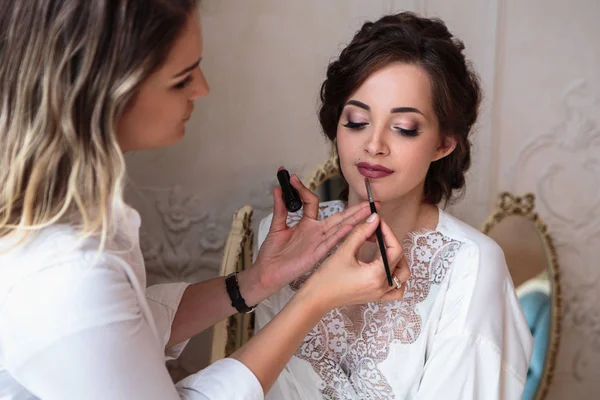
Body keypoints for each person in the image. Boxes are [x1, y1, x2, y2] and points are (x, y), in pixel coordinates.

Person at [0, 1, 411, 399]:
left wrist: (256, 281)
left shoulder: (76, 214)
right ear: (100, 91)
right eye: (181, 79)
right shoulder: (64, 275)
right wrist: (314, 299)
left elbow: (127, 328)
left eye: (406, 127)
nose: (203, 88)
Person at [255, 12, 534, 399]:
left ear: (444, 143)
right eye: (356, 121)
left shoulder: (471, 267)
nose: (374, 144)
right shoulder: (283, 237)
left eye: (404, 128)